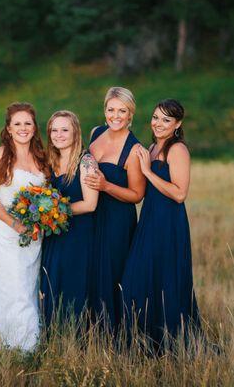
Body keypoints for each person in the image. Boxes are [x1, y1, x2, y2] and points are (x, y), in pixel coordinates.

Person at [121, 99, 201, 351]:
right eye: (156, 117)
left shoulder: (177, 150)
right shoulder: (152, 147)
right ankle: (145, 342)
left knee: (165, 280)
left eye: (166, 119)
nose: (158, 123)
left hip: (169, 223)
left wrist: (147, 171)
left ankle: (171, 343)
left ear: (178, 124)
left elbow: (179, 194)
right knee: (138, 279)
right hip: (149, 219)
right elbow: (142, 191)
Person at [0, 102, 49, 351]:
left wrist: (44, 218)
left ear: (34, 127)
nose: (23, 128)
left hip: (33, 236)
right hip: (3, 234)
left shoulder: (41, 158)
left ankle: (28, 343)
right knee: (8, 285)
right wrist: (17, 225)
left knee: (28, 286)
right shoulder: (0, 156)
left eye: (28, 123)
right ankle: (2, 343)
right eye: (17, 124)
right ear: (8, 128)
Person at [84, 87, 145, 331]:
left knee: (111, 273)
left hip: (117, 219)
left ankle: (111, 332)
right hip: (90, 214)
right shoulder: (95, 133)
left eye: (123, 111)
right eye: (111, 109)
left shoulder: (134, 149)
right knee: (90, 270)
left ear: (131, 115)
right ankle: (86, 328)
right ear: (105, 110)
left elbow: (137, 195)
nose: (116, 116)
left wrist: (106, 185)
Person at [40, 110, 98, 326]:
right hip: (53, 234)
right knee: (52, 282)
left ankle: (75, 337)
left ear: (75, 132)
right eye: (54, 130)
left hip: (77, 234)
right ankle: (52, 335)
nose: (59, 135)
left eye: (65, 130)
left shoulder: (86, 161)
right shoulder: (49, 162)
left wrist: (55, 212)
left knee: (73, 284)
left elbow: (90, 204)